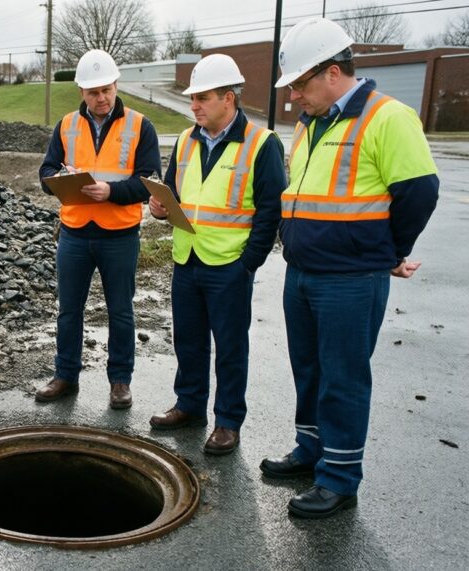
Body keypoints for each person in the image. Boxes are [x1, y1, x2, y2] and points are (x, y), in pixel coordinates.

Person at [261, 17, 439, 518]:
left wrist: (385, 252)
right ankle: (312, 451)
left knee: (343, 377)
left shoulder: (388, 118)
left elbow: (419, 192)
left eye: (299, 83)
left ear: (333, 72)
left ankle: (339, 477)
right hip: (302, 272)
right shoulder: (312, 123)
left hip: (349, 278)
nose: (294, 96)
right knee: (309, 370)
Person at [148, 54, 286, 455]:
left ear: (229, 98)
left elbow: (270, 211)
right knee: (188, 341)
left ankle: (228, 421)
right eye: (192, 99)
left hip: (229, 265)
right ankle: (190, 406)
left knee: (230, 347)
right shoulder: (187, 140)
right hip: (186, 259)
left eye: (202, 98)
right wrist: (160, 209)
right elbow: (174, 192)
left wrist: (248, 264)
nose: (193, 106)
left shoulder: (262, 145)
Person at [36, 49, 161, 408]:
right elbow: (46, 174)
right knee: (68, 310)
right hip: (74, 233)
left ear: (116, 85)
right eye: (93, 92)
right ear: (81, 92)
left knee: (120, 310)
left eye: (106, 89)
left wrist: (112, 191)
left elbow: (150, 180)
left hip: (119, 235)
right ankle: (65, 375)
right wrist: (59, 180)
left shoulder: (140, 126)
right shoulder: (66, 125)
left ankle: (120, 381)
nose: (101, 98)